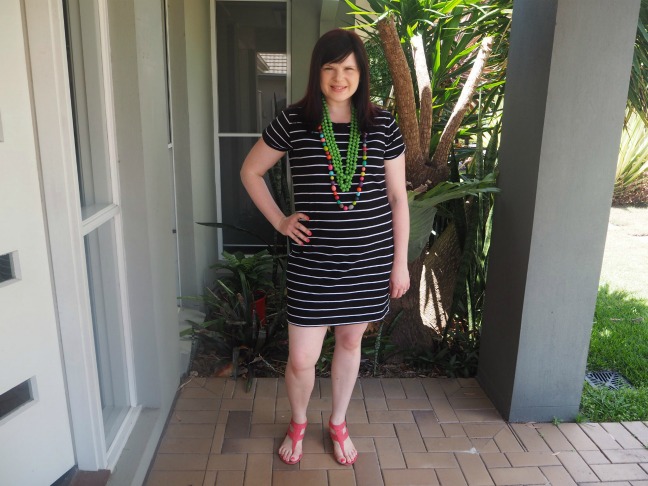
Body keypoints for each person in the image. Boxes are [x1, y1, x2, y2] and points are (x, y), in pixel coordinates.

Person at [240, 28, 409, 466]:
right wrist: (280, 219)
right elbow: (251, 171)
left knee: (350, 343)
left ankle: (337, 422)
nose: (339, 77)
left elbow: (397, 197)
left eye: (348, 68)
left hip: (368, 261)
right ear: (317, 71)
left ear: (361, 73)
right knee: (301, 359)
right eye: (330, 68)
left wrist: (400, 262)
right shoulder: (294, 120)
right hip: (313, 263)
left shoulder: (382, 124)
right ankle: (298, 422)